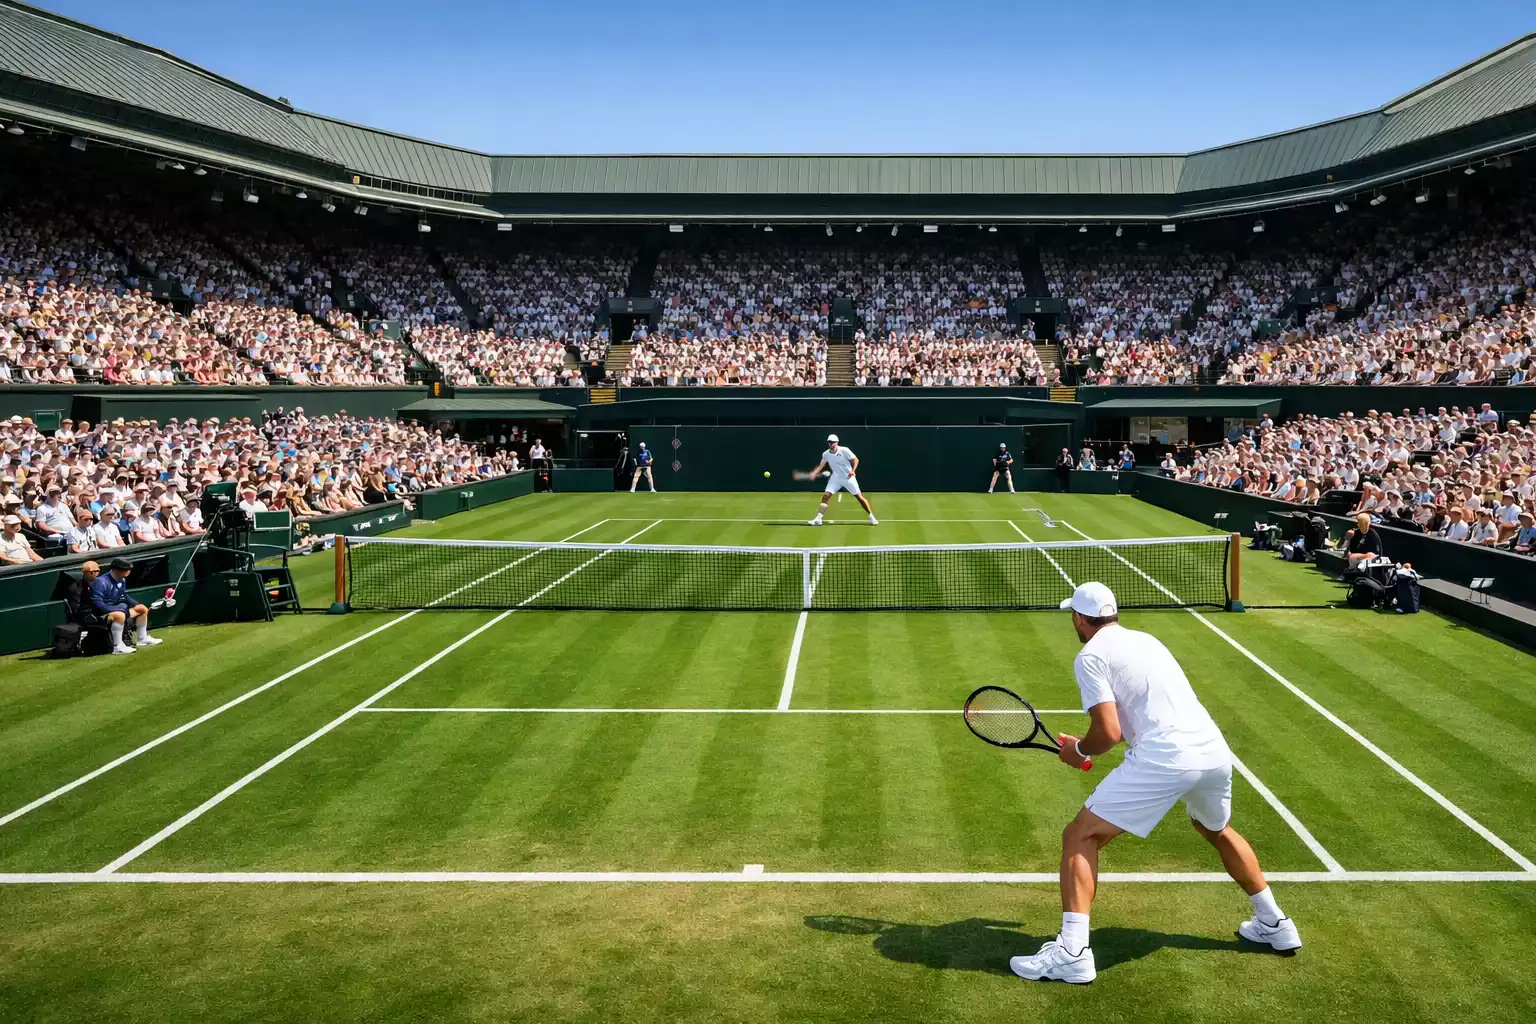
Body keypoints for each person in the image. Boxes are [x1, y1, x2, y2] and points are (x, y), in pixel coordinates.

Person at [1009, 582, 1300, 984]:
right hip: (1212, 750)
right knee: (1214, 828)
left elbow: (1108, 732)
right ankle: (1275, 922)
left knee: (1081, 835)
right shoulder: (1147, 640)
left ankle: (1072, 952)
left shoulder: (1090, 656)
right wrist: (1083, 746)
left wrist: (1079, 752)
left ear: (1078, 618)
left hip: (1166, 756)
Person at [89, 556, 161, 655]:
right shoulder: (100, 582)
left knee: (142, 609)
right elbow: (98, 604)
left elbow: (124, 596)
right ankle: (117, 646)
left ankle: (142, 638)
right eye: (125, 570)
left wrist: (136, 604)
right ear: (115, 570)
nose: (128, 572)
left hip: (117, 610)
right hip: (98, 615)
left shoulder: (122, 580)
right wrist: (119, 609)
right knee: (120, 615)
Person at [807, 434, 877, 526]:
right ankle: (818, 519)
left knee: (859, 497)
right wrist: (814, 473)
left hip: (849, 478)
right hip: (835, 478)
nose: (832, 444)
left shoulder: (845, 450)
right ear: (828, 443)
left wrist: (853, 470)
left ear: (837, 442)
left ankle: (871, 516)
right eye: (830, 442)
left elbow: (856, 460)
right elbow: (821, 465)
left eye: (833, 442)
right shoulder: (826, 454)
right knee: (825, 497)